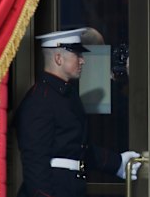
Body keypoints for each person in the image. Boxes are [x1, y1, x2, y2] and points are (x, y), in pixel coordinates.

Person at [15, 28, 142, 197]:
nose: (82, 61)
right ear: (58, 58)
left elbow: (78, 148)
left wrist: (117, 163)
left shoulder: (68, 95)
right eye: (77, 55)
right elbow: (35, 163)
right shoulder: (39, 100)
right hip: (56, 189)